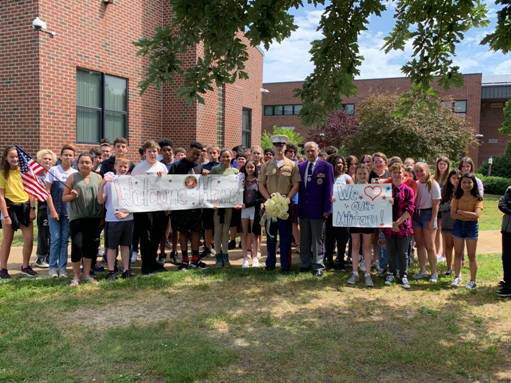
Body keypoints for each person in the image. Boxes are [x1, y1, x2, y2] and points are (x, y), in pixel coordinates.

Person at [259, 135, 300, 272]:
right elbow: (261, 185)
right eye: (276, 144)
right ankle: (270, 264)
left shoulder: (292, 165)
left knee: (286, 237)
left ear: (285, 146)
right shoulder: (266, 165)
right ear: (273, 146)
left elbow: (296, 184)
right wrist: (268, 199)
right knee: (270, 236)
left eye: (281, 145)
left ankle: (285, 265)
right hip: (270, 205)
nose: (279, 147)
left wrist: (287, 199)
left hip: (285, 206)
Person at [63, 152, 103, 287]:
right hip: (77, 219)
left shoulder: (98, 178)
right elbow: (64, 198)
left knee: (90, 248)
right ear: (78, 164)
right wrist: (72, 196)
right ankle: (76, 276)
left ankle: (86, 274)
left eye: (87, 162)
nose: (85, 164)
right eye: (82, 162)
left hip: (94, 218)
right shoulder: (72, 177)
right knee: (77, 246)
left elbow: (102, 198)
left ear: (92, 164)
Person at [0, 146, 38, 279]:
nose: (15, 159)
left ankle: (26, 266)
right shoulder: (2, 173)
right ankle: (3, 268)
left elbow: (31, 191)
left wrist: (33, 209)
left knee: (29, 239)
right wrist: (5, 215)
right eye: (11, 156)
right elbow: (1, 196)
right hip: (10, 208)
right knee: (7, 240)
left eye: (16, 156)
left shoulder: (25, 171)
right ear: (6, 157)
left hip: (25, 207)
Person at [131, 140, 169, 274]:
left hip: (158, 207)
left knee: (156, 236)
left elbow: (167, 187)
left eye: (154, 151)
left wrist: (162, 179)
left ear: (158, 153)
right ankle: (146, 266)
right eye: (149, 151)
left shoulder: (163, 167)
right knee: (145, 237)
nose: (152, 154)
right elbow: (133, 187)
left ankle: (153, 262)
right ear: (145, 154)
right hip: (144, 208)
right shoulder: (139, 168)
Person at [298, 142, 334, 277]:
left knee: (317, 238)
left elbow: (329, 189)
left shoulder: (326, 166)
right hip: (304, 209)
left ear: (318, 151)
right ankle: (305, 263)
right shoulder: (300, 167)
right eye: (307, 151)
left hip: (319, 210)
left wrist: (327, 209)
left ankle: (318, 264)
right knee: (305, 238)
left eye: (312, 150)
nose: (310, 153)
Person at [168, 142, 206, 270]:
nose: (195, 156)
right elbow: (169, 183)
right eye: (194, 153)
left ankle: (195, 259)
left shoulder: (199, 167)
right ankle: (185, 260)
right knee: (182, 232)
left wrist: (205, 176)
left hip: (196, 206)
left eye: (198, 154)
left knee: (196, 232)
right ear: (188, 151)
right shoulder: (176, 166)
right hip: (181, 206)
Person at [97, 156, 134, 279]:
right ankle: (111, 271)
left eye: (125, 167)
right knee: (111, 247)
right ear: (115, 167)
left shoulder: (131, 182)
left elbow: (135, 201)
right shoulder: (109, 182)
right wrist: (102, 184)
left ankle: (126, 270)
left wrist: (126, 213)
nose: (123, 169)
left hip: (128, 219)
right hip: (112, 219)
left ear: (128, 168)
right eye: (120, 166)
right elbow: (100, 200)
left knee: (125, 246)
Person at [45, 145, 77, 278]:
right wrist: (52, 210)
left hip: (68, 212)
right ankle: (52, 268)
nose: (68, 157)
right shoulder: (53, 170)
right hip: (54, 210)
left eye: (70, 155)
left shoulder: (75, 173)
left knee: (64, 240)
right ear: (61, 156)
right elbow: (47, 192)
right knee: (56, 239)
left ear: (74, 158)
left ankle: (62, 268)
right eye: (65, 154)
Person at [383, 163, 415, 289]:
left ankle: (403, 274)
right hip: (388, 226)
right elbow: (381, 208)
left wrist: (398, 222)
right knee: (390, 251)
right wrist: (391, 224)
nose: (397, 175)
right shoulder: (385, 190)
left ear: (404, 175)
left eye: (399, 172)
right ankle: (391, 273)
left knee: (402, 252)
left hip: (404, 226)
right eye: (394, 172)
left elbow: (410, 209)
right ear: (391, 174)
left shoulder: (408, 190)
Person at [450, 173, 483, 289]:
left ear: (474, 184)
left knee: (471, 255)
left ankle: (473, 281)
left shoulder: (478, 198)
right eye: (464, 182)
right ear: (460, 183)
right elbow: (453, 215)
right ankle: (457, 277)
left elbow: (476, 215)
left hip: (471, 227)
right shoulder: (456, 197)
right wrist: (468, 215)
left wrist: (462, 212)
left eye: (469, 182)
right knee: (458, 254)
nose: (467, 184)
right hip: (458, 226)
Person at [347, 165, 375, 287]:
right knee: (355, 245)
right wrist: (336, 201)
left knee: (367, 247)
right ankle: (355, 273)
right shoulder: (350, 189)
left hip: (368, 221)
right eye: (360, 174)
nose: (362, 176)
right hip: (354, 220)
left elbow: (379, 204)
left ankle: (368, 274)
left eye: (364, 173)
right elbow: (345, 203)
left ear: (368, 174)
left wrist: (388, 201)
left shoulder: (373, 189)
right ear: (355, 175)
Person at [211, 149, 239, 267]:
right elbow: (210, 185)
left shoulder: (235, 171)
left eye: (228, 156)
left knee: (226, 230)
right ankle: (218, 255)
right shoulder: (215, 170)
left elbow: (238, 189)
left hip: (229, 205)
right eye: (224, 156)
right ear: (220, 158)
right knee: (218, 230)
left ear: (231, 157)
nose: (226, 159)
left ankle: (225, 255)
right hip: (217, 205)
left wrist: (237, 202)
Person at [412, 162, 441, 283]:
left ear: (427, 170)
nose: (419, 173)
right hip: (417, 214)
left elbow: (436, 204)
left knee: (430, 245)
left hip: (428, 214)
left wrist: (433, 219)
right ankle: (422, 270)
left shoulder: (433, 184)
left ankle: (434, 272)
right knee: (419, 244)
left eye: (421, 170)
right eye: (416, 171)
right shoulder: (416, 184)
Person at [325, 155, 352, 271]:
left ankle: (341, 261)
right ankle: (330, 262)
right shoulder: (328, 178)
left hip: (343, 214)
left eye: (341, 163)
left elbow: (353, 195)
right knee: (330, 239)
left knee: (342, 239)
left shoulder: (347, 178)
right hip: (330, 213)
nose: (339, 165)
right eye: (336, 163)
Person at [35, 149, 56, 268]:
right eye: (45, 159)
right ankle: (41, 256)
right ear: (40, 161)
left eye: (49, 159)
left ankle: (50, 256)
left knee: (53, 233)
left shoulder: (55, 173)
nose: (47, 161)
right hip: (43, 206)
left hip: (56, 206)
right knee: (44, 232)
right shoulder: (37, 176)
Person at [240, 160, 262, 268]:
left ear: (255, 168)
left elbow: (260, 197)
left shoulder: (258, 181)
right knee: (244, 233)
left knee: (254, 234)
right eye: (248, 167)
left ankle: (255, 258)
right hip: (244, 210)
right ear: (245, 168)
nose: (250, 169)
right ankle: (245, 257)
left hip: (254, 209)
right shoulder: (241, 180)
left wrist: (248, 204)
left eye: (252, 167)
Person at [439, 169, 461, 276]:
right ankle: (449, 268)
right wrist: (450, 205)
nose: (456, 180)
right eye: (453, 178)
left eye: (458, 178)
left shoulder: (464, 190)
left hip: (459, 223)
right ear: (449, 179)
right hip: (447, 222)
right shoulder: (444, 190)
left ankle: (458, 270)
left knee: (458, 248)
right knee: (448, 246)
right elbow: (439, 207)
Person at [434, 156, 451, 260]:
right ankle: (436, 253)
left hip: (445, 209)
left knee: (444, 232)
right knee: (436, 231)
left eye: (444, 164)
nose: (442, 166)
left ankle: (444, 254)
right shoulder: (433, 177)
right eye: (440, 164)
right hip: (435, 208)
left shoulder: (449, 178)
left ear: (448, 166)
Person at [498, 186, 511, 297]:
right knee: (506, 257)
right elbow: (501, 204)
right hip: (507, 229)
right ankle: (507, 281)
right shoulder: (509, 189)